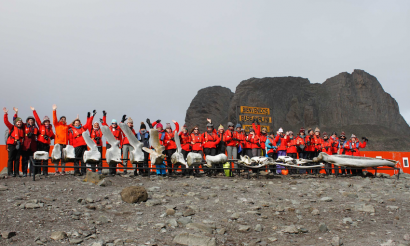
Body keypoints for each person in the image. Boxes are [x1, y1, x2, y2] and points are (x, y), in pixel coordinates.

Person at [32, 107, 55, 176]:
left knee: (45, 158)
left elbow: (53, 136)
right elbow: (37, 119)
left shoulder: (50, 129)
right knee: (39, 157)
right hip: (40, 143)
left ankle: (45, 172)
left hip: (46, 145)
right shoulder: (41, 126)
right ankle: (38, 172)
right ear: (44, 122)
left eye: (48, 121)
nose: (47, 123)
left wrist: (53, 137)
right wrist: (34, 111)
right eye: (46, 122)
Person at [3, 107, 24, 177]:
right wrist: (6, 113)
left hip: (19, 145)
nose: (19, 123)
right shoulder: (12, 127)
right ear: (16, 122)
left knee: (17, 159)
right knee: (11, 158)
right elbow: (6, 121)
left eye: (20, 122)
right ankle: (10, 172)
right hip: (11, 144)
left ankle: (17, 172)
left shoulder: (22, 129)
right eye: (18, 122)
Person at [101, 111, 123, 176]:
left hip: (116, 145)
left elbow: (120, 138)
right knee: (110, 157)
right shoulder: (109, 128)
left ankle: (114, 171)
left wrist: (121, 146)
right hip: (109, 144)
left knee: (115, 158)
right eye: (113, 123)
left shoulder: (118, 130)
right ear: (111, 123)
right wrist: (104, 116)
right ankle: (110, 171)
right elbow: (104, 124)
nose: (114, 124)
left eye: (115, 123)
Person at [52, 104, 69, 175]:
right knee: (57, 157)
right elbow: (54, 118)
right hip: (58, 143)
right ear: (60, 120)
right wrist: (54, 110)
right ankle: (56, 170)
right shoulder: (57, 125)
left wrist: (76, 119)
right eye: (62, 119)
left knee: (63, 157)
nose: (63, 120)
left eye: (64, 119)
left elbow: (74, 124)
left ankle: (63, 170)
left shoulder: (67, 126)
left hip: (64, 143)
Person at [20, 112, 38, 176]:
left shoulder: (35, 128)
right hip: (25, 146)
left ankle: (32, 172)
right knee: (25, 160)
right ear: (27, 121)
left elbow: (37, 135)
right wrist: (16, 113)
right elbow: (16, 122)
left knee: (33, 160)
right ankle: (24, 172)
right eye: (29, 120)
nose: (31, 121)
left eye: (32, 120)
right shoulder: (24, 126)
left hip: (33, 146)